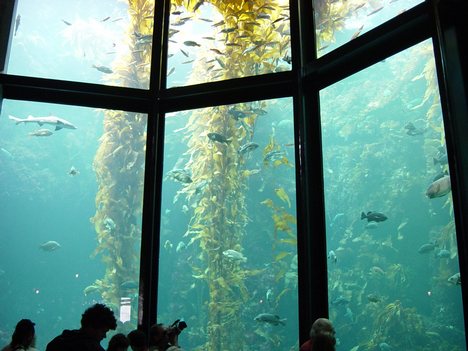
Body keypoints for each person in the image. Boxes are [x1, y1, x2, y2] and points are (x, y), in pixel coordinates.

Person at [46, 303, 117, 351]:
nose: (104, 336)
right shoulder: (92, 348)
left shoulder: (57, 341)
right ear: (91, 327)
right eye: (103, 331)